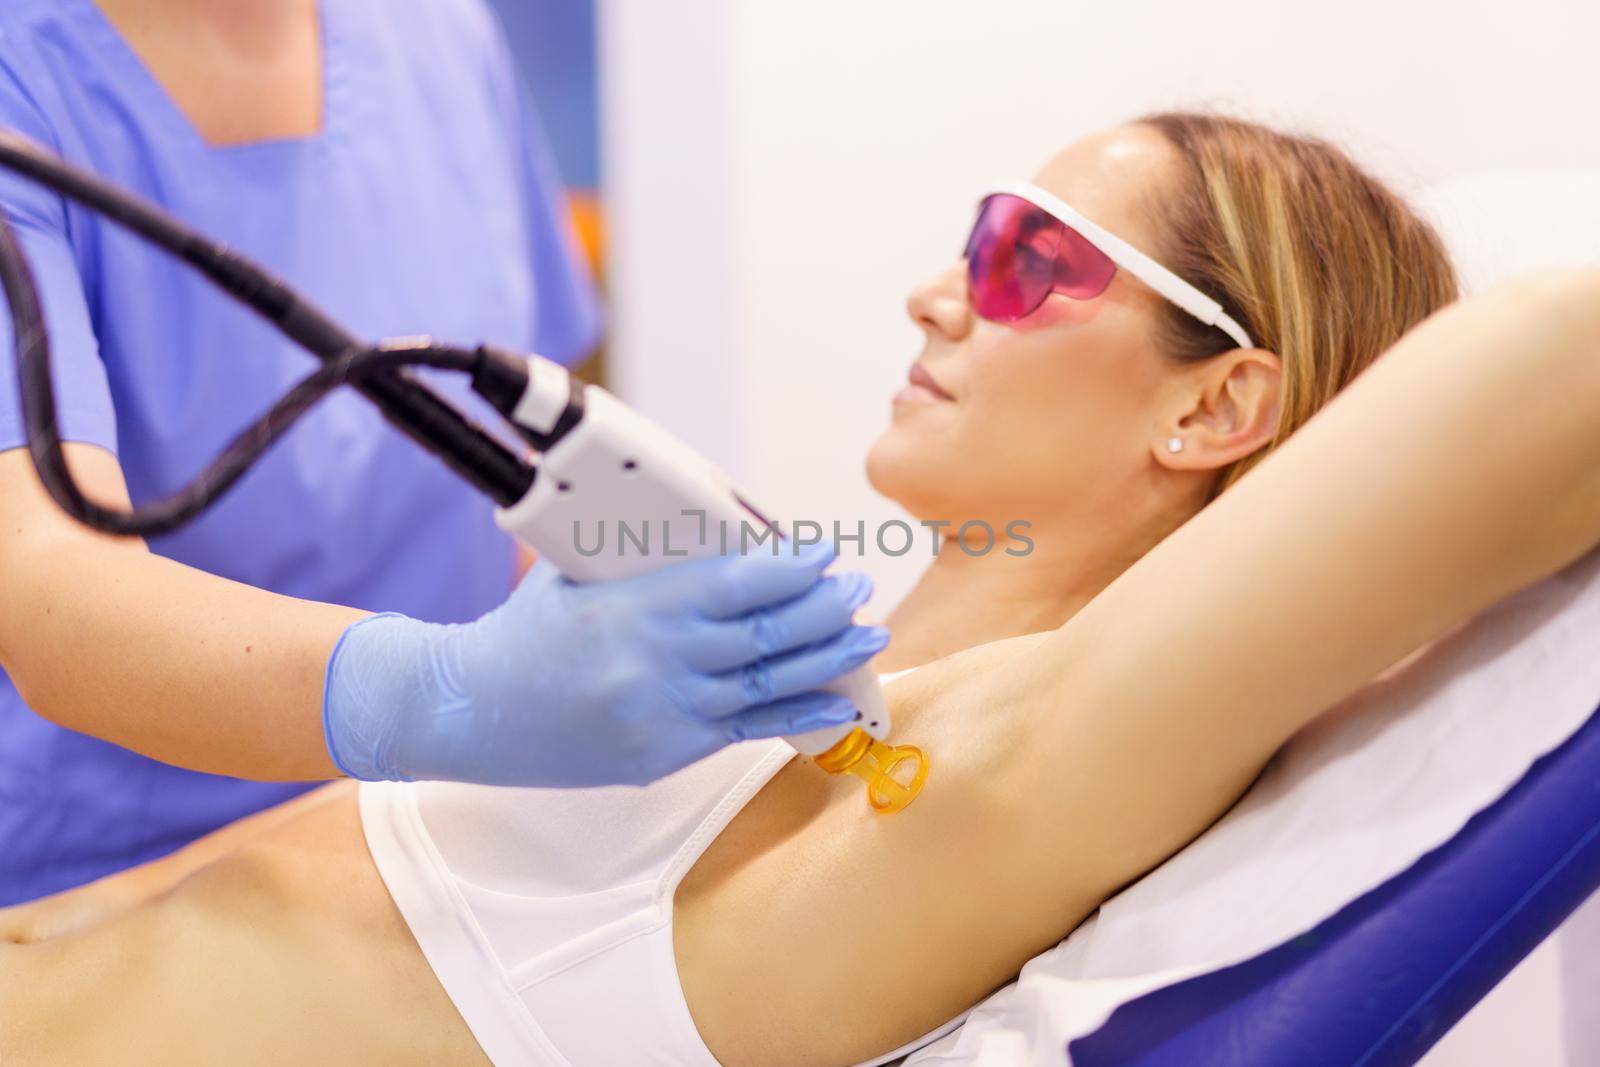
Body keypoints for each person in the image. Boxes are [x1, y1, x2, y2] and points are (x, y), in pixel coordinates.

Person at [6, 113, 1600, 1066]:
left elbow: (1555, 359)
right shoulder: (765, 662)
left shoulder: (976, 780)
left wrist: (443, 698)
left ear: (1214, 406)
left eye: (1027, 259)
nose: (935, 290)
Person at [0, 0, 879, 907]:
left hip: (448, 852)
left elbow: (536, 453)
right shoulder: (25, 86)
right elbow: (51, 598)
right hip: (114, 904)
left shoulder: (434, 29)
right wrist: (449, 696)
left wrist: (644, 644)